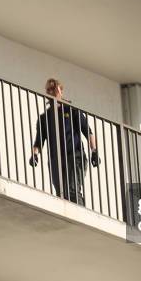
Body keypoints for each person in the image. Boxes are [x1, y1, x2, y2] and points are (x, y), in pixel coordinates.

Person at [29, 78, 99, 206]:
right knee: (61, 194)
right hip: (56, 160)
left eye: (54, 88)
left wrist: (94, 151)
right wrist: (34, 155)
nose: (51, 91)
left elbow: (87, 131)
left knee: (72, 191)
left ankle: (80, 218)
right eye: (48, 89)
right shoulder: (44, 118)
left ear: (61, 91)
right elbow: (39, 141)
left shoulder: (71, 110)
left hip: (74, 156)